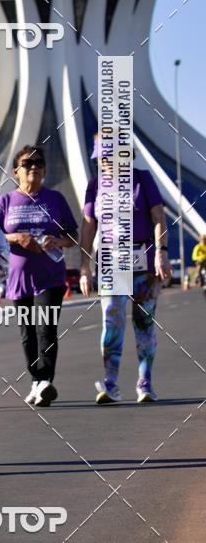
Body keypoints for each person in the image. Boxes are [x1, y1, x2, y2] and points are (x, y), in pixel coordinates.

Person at [79, 139, 172, 404]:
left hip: (143, 258)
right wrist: (85, 267)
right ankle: (110, 383)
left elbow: (159, 218)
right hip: (110, 259)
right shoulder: (95, 185)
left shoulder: (142, 179)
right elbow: (88, 228)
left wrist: (161, 253)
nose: (106, 163)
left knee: (144, 322)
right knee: (111, 320)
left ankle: (145, 382)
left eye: (112, 157)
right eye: (102, 159)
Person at [0, 145, 78, 407]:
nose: (34, 167)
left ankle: (45, 382)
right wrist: (15, 237)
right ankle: (35, 379)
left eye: (39, 163)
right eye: (27, 163)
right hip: (18, 278)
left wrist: (58, 241)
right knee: (28, 333)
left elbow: (73, 236)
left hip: (50, 276)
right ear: (16, 171)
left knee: (46, 329)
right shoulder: (5, 201)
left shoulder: (55, 199)